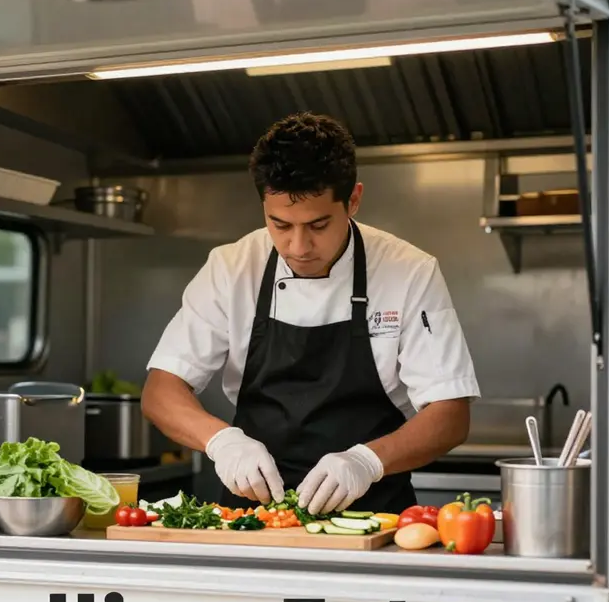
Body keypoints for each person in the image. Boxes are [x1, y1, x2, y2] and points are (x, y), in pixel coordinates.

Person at [141, 112, 480, 516]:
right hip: (253, 514)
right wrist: (223, 442)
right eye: (279, 224)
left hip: (373, 514)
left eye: (318, 224)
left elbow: (450, 414)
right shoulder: (232, 267)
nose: (298, 246)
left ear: (353, 200)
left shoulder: (408, 271)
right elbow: (161, 391)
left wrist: (366, 463)